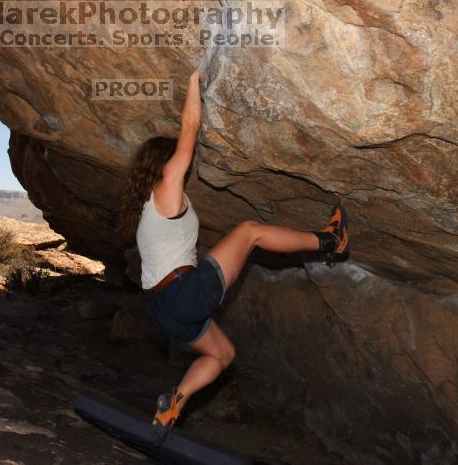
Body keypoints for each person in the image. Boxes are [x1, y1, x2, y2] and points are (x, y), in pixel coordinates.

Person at [118, 71, 349, 446]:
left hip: (164, 311)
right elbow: (189, 130)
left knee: (222, 354)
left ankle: (174, 401)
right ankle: (331, 241)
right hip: (183, 294)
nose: (183, 168)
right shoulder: (167, 189)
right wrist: (193, 81)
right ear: (164, 168)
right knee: (249, 232)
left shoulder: (146, 212)